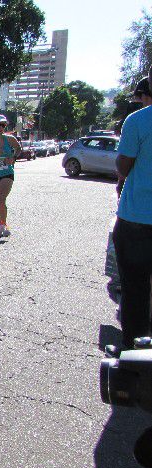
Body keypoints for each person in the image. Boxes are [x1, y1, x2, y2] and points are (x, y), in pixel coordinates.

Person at [113, 70, 152, 349]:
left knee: (135, 290)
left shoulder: (139, 120)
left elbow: (123, 166)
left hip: (138, 217)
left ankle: (132, 358)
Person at [117, 78, 152, 197]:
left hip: (139, 204)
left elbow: (123, 168)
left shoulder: (136, 120)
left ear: (144, 96)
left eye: (137, 100)